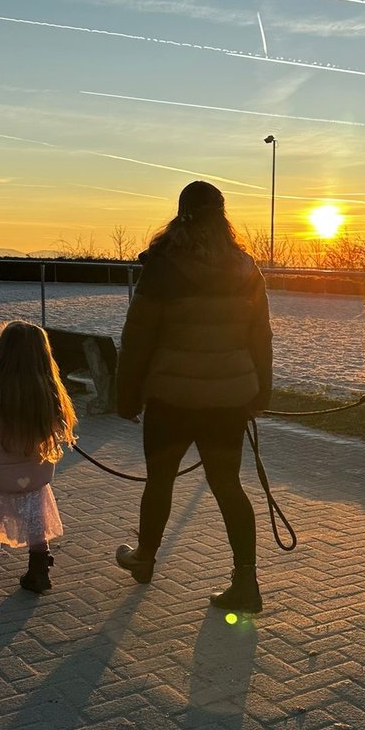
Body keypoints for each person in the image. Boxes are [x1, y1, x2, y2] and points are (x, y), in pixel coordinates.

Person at [114, 180, 273, 613]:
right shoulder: (246, 268)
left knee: (160, 480)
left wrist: (125, 397)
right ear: (222, 218)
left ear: (181, 215)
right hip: (227, 401)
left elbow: (137, 339)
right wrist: (260, 391)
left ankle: (145, 558)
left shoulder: (163, 267)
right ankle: (246, 583)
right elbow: (261, 336)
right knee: (228, 487)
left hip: (172, 399)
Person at [0, 320, 77, 594]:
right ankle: (38, 568)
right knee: (34, 511)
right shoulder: (46, 389)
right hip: (33, 474)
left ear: (0, 350)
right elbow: (61, 427)